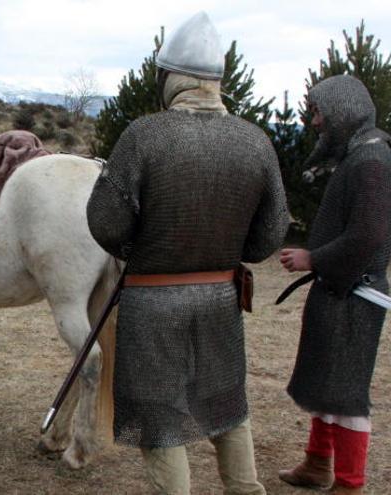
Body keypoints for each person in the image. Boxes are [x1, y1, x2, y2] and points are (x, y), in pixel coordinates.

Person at [86, 12, 289, 494]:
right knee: (226, 408)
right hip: (219, 300)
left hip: (152, 305)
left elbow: (105, 222)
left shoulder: (145, 135)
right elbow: (269, 235)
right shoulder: (254, 141)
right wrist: (221, 247)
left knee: (161, 423)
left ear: (169, 78)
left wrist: (143, 248)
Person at [277, 75, 391, 495]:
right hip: (338, 291)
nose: (315, 122)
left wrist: (313, 258)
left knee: (344, 394)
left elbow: (369, 236)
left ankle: (349, 484)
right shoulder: (359, 155)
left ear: (343, 112)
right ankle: (318, 464)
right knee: (324, 382)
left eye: (319, 112)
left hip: (354, 296)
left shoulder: (372, 161)